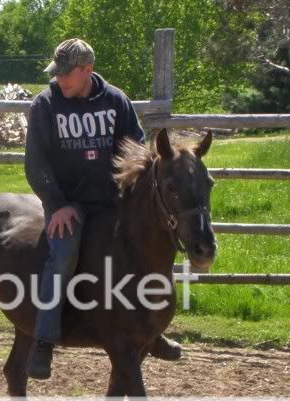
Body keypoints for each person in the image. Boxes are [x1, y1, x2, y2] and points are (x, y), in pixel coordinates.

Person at [24, 38, 181, 379]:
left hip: (113, 202)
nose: (59, 79)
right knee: (63, 254)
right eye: (57, 73)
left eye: (67, 74)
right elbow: (36, 163)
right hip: (69, 206)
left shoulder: (115, 101)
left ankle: (151, 332)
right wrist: (57, 204)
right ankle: (44, 340)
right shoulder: (46, 105)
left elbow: (137, 152)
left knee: (149, 251)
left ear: (87, 71)